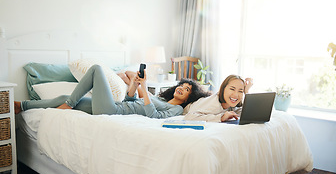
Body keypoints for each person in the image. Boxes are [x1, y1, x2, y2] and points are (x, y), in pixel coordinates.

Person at [15, 64, 210, 119]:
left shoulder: (176, 111)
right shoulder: (159, 97)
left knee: (97, 69)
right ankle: (22, 105)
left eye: (186, 90)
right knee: (64, 97)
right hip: (116, 106)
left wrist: (144, 88)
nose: (181, 89)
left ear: (187, 98)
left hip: (113, 112)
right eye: (182, 85)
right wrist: (134, 84)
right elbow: (129, 99)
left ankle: (70, 104)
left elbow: (153, 116)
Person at [184, 74, 253, 122]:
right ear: (223, 89)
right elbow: (189, 117)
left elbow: (250, 114)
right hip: (188, 108)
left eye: (240, 91)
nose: (235, 95)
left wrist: (247, 92)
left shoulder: (232, 105)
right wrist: (221, 117)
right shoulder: (213, 103)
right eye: (232, 89)